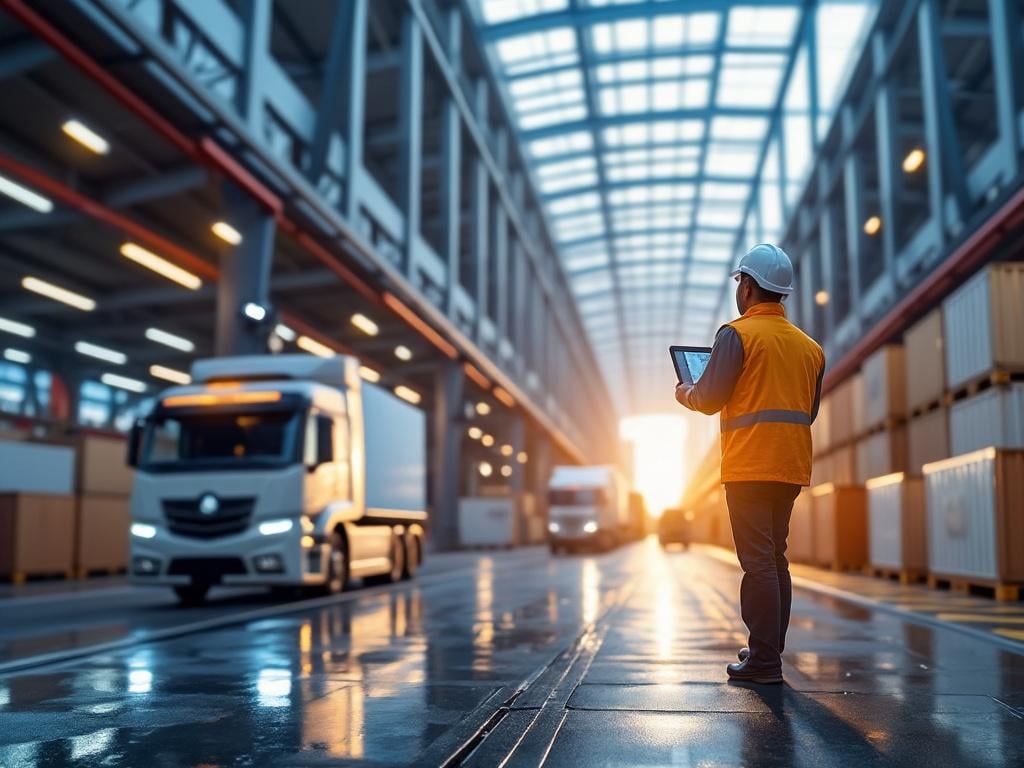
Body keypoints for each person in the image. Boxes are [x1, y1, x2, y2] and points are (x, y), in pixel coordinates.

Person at [674, 243, 824, 685]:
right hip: (791, 465)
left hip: (749, 465)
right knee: (776, 558)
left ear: (749, 286)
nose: (738, 289)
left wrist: (685, 390)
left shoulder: (736, 334)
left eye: (740, 281)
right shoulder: (810, 348)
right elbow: (808, 410)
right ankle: (767, 651)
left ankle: (763, 663)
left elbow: (709, 398)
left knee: (757, 562)